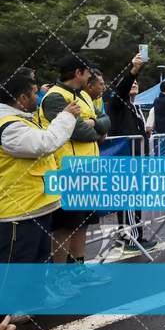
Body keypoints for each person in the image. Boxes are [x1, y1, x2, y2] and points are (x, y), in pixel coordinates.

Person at [0, 74, 79, 324]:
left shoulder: (20, 120)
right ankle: (5, 314)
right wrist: (66, 116)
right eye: (35, 93)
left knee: (36, 259)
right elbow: (45, 144)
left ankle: (33, 299)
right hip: (16, 210)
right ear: (22, 98)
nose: (38, 97)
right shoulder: (8, 125)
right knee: (15, 264)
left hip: (36, 205)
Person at [38, 53, 111, 288]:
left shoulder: (82, 96)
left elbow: (106, 120)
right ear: (78, 73)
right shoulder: (55, 97)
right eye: (88, 71)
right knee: (65, 225)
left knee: (83, 222)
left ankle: (78, 269)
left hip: (88, 169)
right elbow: (78, 132)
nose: (91, 75)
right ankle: (59, 277)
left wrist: (95, 125)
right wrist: (97, 129)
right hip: (67, 170)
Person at [105, 53, 158, 253]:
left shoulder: (135, 107)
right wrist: (133, 69)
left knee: (135, 200)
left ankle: (136, 236)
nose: (134, 84)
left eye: (136, 82)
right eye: (130, 83)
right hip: (124, 160)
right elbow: (121, 90)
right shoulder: (117, 104)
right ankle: (128, 240)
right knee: (127, 200)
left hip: (137, 160)